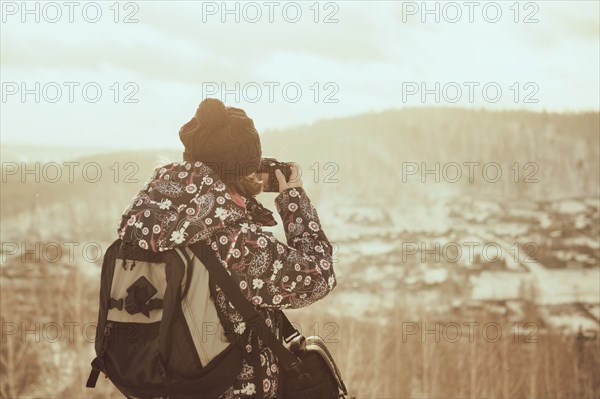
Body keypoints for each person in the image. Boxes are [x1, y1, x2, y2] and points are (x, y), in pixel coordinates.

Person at [117, 98, 336, 398]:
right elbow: (318, 276)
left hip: (168, 385)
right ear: (243, 169)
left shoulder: (149, 219)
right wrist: (293, 199)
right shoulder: (236, 243)